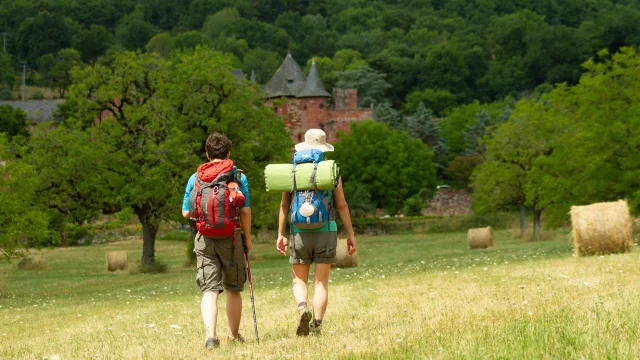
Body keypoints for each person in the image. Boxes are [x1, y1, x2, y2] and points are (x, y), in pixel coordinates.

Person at [276, 128, 357, 336]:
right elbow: (342, 206)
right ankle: (317, 325)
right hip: (326, 230)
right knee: (321, 281)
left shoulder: (291, 171)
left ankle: (303, 308)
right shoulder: (331, 171)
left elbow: (285, 205)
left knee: (298, 280)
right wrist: (350, 234)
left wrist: (281, 234)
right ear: (323, 150)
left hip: (298, 232)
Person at [181, 132, 252, 349]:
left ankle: (211, 336)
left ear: (207, 153)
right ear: (228, 152)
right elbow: (245, 211)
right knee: (233, 288)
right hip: (231, 237)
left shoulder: (196, 178)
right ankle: (233, 334)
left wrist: (204, 217)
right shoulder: (237, 176)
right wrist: (247, 239)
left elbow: (186, 212)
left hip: (205, 239)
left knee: (209, 289)